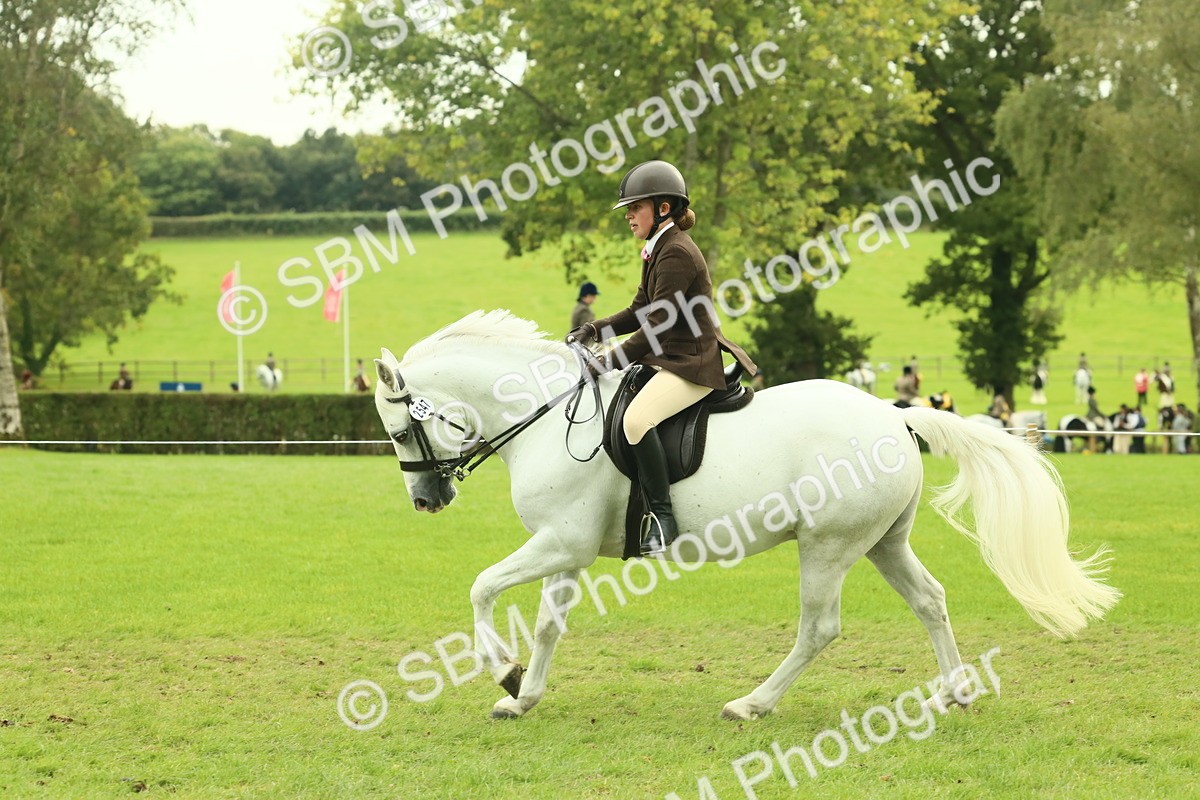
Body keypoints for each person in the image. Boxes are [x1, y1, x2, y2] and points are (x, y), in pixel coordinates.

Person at [568, 160, 758, 556]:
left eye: (635, 208)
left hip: (690, 363)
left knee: (637, 420)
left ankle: (662, 517)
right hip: (667, 357)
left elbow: (655, 325)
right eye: (628, 209)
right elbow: (640, 308)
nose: (629, 216)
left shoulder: (677, 254)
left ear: (663, 209)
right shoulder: (658, 249)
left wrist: (607, 360)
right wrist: (594, 330)